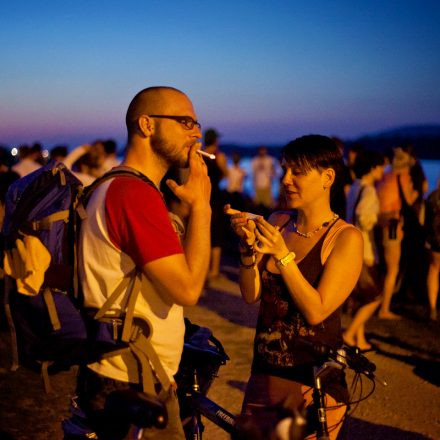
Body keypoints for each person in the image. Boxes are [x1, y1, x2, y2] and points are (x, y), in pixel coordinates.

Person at [73, 86, 211, 439]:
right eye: (185, 122)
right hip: (133, 377)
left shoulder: (112, 185)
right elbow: (189, 288)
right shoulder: (133, 194)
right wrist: (202, 206)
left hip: (118, 365)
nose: (197, 133)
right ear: (147, 125)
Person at [226, 135, 363, 439]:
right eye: (285, 169)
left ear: (327, 177)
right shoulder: (278, 221)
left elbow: (317, 310)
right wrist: (248, 249)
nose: (286, 180)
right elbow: (251, 295)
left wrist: (282, 256)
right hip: (264, 371)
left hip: (312, 383)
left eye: (297, 172)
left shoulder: (345, 238)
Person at [343, 150, 385, 350]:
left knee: (361, 297)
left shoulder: (355, 186)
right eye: (381, 166)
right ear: (373, 167)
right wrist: (378, 219)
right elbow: (363, 216)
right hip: (364, 248)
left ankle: (359, 340)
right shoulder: (369, 190)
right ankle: (350, 334)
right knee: (376, 297)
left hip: (351, 246)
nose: (383, 170)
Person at [376, 146, 421, 319]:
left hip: (380, 224)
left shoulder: (385, 176)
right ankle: (384, 309)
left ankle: (377, 302)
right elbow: (409, 200)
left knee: (384, 268)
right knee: (392, 269)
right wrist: (417, 191)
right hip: (392, 225)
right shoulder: (402, 176)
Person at [203, 128, 228, 282]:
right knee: (216, 234)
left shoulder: (200, 155)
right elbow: (225, 173)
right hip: (216, 197)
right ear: (215, 140)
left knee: (204, 231)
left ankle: (204, 268)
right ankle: (214, 269)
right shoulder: (218, 156)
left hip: (204, 195)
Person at [425, 184, 440, 320]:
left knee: (434, 270)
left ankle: (432, 306)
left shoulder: (432, 196)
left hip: (435, 240)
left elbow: (424, 220)